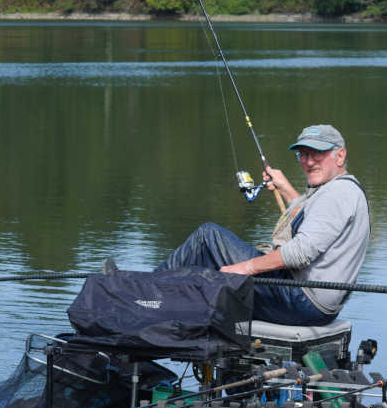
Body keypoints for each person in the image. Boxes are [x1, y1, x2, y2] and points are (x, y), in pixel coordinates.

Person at [156, 124, 370, 326]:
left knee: (208, 237)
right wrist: (284, 187)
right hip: (318, 305)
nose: (309, 162)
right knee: (215, 261)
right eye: (303, 154)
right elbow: (311, 221)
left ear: (340, 155)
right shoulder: (345, 188)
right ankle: (163, 302)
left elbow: (300, 252)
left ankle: (146, 295)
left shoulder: (336, 194)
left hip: (301, 301)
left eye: (317, 154)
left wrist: (243, 268)